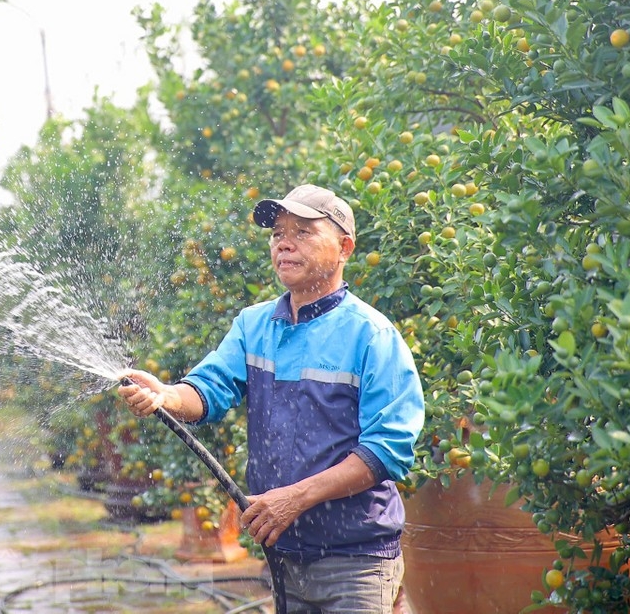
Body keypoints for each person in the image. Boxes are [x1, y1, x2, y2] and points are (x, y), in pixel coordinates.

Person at [118, 183, 424, 614]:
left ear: (345, 248)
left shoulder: (371, 336)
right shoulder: (254, 325)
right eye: (278, 232)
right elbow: (208, 390)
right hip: (282, 553)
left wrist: (293, 498)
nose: (284, 242)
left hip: (355, 558)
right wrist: (167, 396)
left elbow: (386, 452)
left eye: (302, 231)